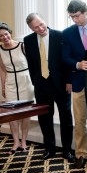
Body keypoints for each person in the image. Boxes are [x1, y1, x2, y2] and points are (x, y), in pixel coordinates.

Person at [23, 13, 74, 162]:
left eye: (41, 24)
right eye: (36, 27)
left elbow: (67, 61)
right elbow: (31, 64)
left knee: (66, 118)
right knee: (44, 118)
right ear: (31, 29)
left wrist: (69, 81)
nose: (40, 28)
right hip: (41, 85)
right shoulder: (28, 40)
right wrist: (35, 82)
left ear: (44, 20)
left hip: (61, 84)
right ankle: (50, 149)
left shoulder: (61, 35)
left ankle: (67, 150)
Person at [62, 0, 87, 168]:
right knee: (79, 120)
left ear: (85, 12)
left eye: (77, 16)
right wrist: (77, 64)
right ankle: (81, 154)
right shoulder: (67, 33)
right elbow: (64, 57)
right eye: (72, 17)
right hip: (78, 82)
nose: (75, 20)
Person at [0, 22, 34, 154]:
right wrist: (3, 86)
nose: (4, 37)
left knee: (25, 113)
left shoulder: (22, 46)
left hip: (25, 81)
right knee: (11, 114)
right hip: (10, 82)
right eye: (0, 36)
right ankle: (15, 142)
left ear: (10, 33)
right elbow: (3, 69)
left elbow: (33, 64)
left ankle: (24, 142)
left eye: (6, 34)